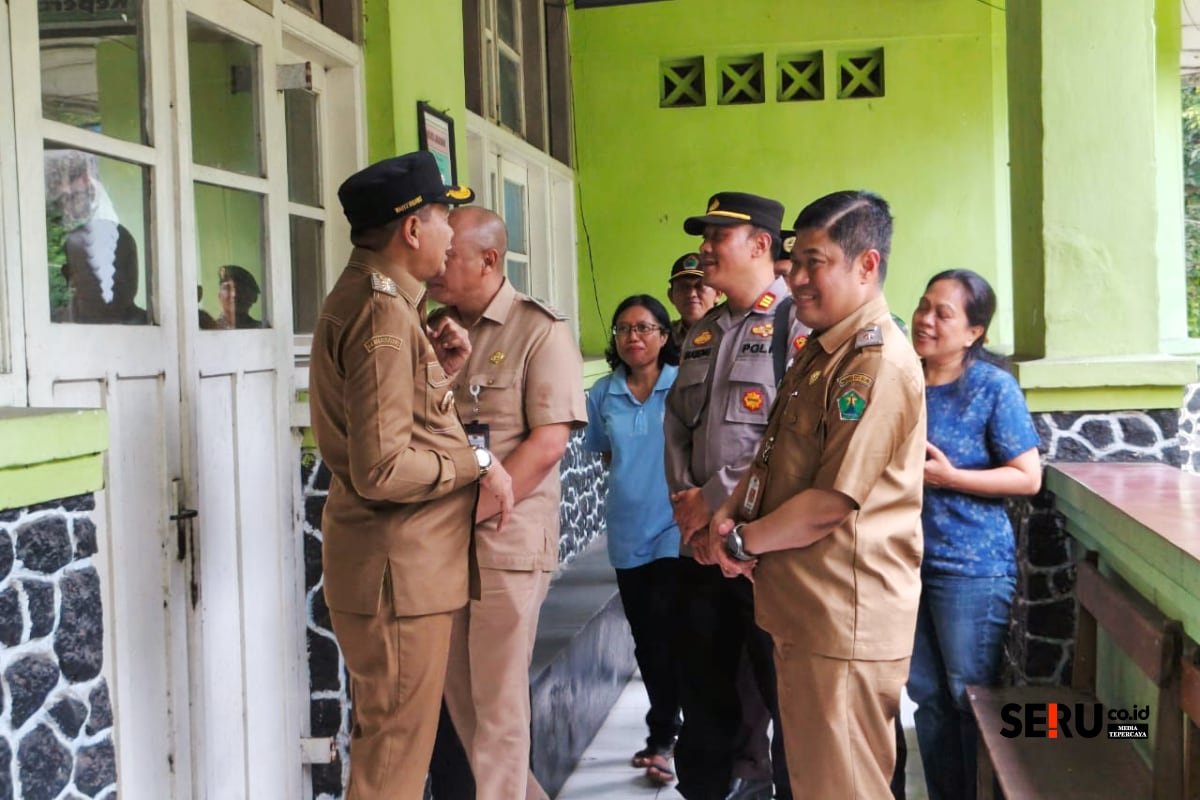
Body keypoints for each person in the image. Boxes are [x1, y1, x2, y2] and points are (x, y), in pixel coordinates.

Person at [307, 151, 514, 800]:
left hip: (397, 571)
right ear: (412, 228)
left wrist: (439, 377)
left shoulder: (382, 301)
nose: (452, 233)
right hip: (399, 575)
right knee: (391, 767)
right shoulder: (382, 314)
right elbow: (382, 468)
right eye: (444, 217)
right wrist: (478, 462)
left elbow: (387, 428)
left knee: (389, 751)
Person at [710, 190, 925, 799]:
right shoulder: (824, 350)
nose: (795, 279)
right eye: (794, 262)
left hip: (842, 622)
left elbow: (830, 501)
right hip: (806, 613)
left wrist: (743, 540)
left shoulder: (874, 364)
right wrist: (730, 510)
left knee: (843, 787)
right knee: (814, 784)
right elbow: (777, 456)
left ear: (866, 265)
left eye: (814, 263)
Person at [427, 205, 586, 800]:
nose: (435, 267)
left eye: (449, 256)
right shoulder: (434, 328)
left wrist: (470, 511)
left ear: (489, 259)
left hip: (505, 540)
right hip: (445, 543)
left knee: (497, 707)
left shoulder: (538, 330)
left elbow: (548, 443)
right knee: (464, 706)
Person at [665, 192, 799, 800]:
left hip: (762, 552)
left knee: (784, 697)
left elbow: (789, 436)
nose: (705, 248)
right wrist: (686, 503)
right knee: (702, 695)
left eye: (718, 236)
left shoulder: (796, 325)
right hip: (700, 549)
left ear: (761, 244)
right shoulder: (703, 332)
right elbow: (677, 425)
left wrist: (714, 499)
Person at [906, 269, 1041, 800]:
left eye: (943, 313)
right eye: (923, 306)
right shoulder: (901, 380)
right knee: (927, 698)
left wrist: (950, 477)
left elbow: (1027, 477)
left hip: (970, 567)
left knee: (971, 699)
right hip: (903, 562)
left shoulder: (991, 387)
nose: (925, 319)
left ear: (973, 332)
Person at [584, 295, 682, 786]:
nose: (633, 337)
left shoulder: (682, 385)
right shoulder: (603, 394)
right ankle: (664, 729)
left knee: (672, 632)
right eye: (623, 329)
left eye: (644, 328)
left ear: (664, 336)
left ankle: (669, 737)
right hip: (627, 530)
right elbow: (605, 454)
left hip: (677, 529)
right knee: (647, 641)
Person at [667, 252, 720, 346]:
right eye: (683, 287)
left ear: (717, 294)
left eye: (700, 286)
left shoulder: (731, 332)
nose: (691, 294)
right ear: (671, 296)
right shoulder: (663, 337)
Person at [214, 264, 264, 329]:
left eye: (241, 289)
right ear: (219, 296)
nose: (234, 294)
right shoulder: (209, 329)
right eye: (227, 288)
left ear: (254, 297)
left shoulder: (262, 329)